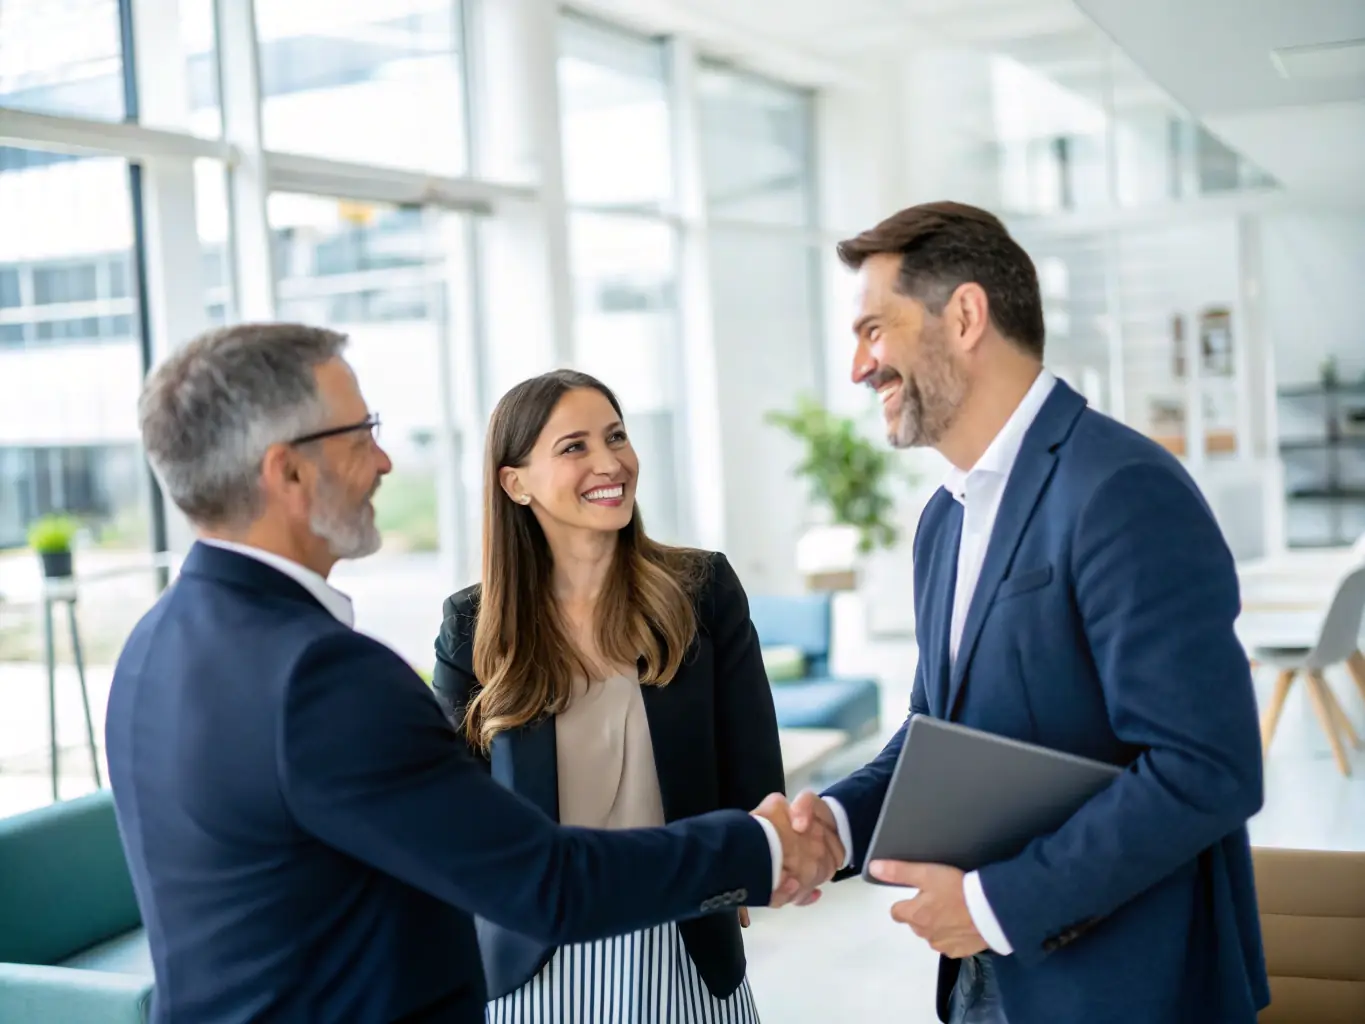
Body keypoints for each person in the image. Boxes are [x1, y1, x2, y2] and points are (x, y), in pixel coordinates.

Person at [105, 324, 838, 1023]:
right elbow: (539, 880)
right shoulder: (325, 676)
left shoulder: (151, 649)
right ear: (287, 469)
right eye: (361, 434)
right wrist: (760, 847)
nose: (386, 462)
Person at [784, 202, 1269, 1023]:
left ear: (965, 315)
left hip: (1124, 987)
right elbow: (937, 729)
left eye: (875, 329)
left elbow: (1204, 768)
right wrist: (833, 822)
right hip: (989, 983)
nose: (860, 367)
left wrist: (992, 905)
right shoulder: (944, 519)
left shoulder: (1119, 488)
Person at [432, 370, 792, 1023]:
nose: (610, 462)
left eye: (616, 436)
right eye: (574, 447)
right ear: (516, 483)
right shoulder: (471, 626)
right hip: (533, 961)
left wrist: (752, 861)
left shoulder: (700, 589)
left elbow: (752, 765)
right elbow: (453, 822)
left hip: (683, 939)